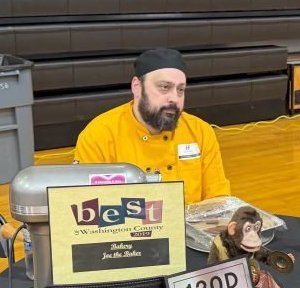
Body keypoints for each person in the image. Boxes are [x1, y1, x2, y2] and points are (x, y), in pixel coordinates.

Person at [74, 48, 231, 205]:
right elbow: (87, 206)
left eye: (180, 90)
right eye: (164, 87)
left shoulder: (200, 132)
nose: (174, 99)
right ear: (137, 87)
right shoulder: (98, 135)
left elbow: (218, 200)